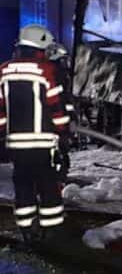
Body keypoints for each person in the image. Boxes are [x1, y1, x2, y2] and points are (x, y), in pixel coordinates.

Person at [0, 25, 72, 241]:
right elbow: (56, 106)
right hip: (42, 143)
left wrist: (4, 132)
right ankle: (51, 231)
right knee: (48, 184)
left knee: (22, 185)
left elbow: (1, 110)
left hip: (16, 145)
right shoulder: (45, 70)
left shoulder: (3, 70)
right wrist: (64, 131)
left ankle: (27, 228)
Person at [45, 43, 73, 185]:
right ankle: (56, 177)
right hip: (56, 118)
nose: (65, 63)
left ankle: (57, 175)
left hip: (57, 117)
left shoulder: (55, 72)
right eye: (62, 60)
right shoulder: (54, 73)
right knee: (57, 148)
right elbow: (60, 98)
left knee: (59, 148)